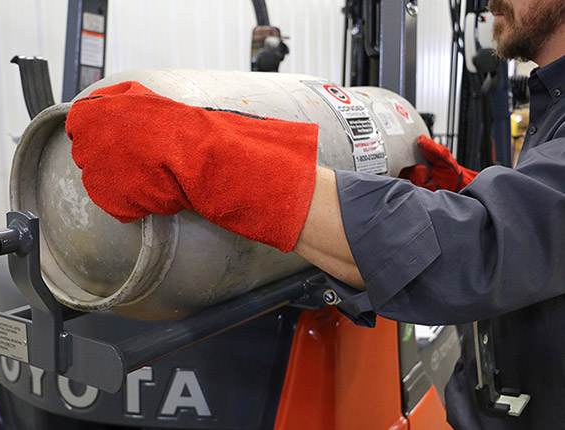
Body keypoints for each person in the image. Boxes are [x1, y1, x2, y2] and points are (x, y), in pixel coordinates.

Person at [65, 0, 565, 427]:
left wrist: (212, 160)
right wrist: (470, 192)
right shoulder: (553, 104)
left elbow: (480, 252)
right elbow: (542, 233)